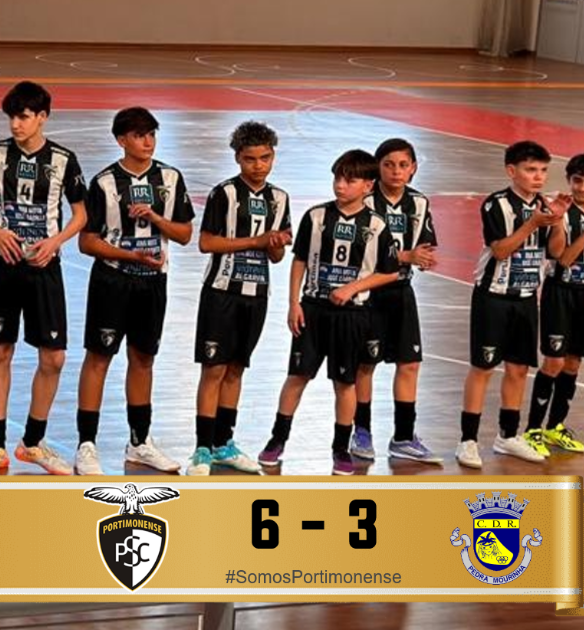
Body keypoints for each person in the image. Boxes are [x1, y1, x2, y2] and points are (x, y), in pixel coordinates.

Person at [0, 81, 87, 475]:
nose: (15, 124)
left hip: (43, 267)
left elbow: (81, 215)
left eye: (23, 117)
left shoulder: (64, 160)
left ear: (42, 117)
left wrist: (56, 241)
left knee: (54, 357)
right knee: (1, 351)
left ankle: (33, 442)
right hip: (2, 266)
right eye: (11, 117)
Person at [257, 149, 400, 476]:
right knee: (297, 376)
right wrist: (294, 303)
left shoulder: (376, 225)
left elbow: (390, 272)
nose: (340, 185)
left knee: (345, 382)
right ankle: (277, 439)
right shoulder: (316, 216)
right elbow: (299, 260)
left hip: (352, 315)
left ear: (368, 185)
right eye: (337, 178)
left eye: (349, 180)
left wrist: (352, 288)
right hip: (313, 309)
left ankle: (340, 448)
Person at [74, 107, 194, 475]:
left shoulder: (170, 178)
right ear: (121, 140)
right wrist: (130, 255)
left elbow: (185, 234)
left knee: (143, 359)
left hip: (152, 282)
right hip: (112, 281)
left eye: (151, 134)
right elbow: (86, 242)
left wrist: (156, 218)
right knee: (99, 357)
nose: (147, 142)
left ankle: (140, 442)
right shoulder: (105, 182)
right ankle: (86, 445)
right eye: (139, 135)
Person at [187, 121, 292, 476]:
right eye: (250, 159)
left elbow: (275, 256)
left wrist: (274, 245)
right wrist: (256, 241)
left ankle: (223, 443)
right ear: (237, 158)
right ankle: (202, 449)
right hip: (221, 293)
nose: (258, 166)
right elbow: (207, 243)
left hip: (256, 295)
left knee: (235, 369)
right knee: (214, 369)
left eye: (265, 158)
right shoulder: (224, 194)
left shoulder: (280, 199)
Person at [457, 140, 567, 468]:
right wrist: (533, 223)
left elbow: (557, 252)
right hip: (493, 297)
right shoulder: (496, 204)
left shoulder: (545, 206)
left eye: (543, 170)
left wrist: (557, 221)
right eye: (531, 170)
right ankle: (468, 440)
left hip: (526, 298)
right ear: (511, 171)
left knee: (518, 369)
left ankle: (507, 435)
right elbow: (501, 250)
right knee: (483, 367)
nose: (538, 176)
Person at [523, 153, 584, 455]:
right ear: (569, 180)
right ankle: (533, 429)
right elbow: (563, 258)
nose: (583, 188)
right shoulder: (560, 211)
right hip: (560, 291)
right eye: (578, 181)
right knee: (554, 361)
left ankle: (556, 426)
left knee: (574, 362)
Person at [353, 138, 442, 464]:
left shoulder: (418, 203)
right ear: (378, 167)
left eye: (403, 165)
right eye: (389, 164)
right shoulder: (364, 201)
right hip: (368, 293)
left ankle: (404, 436)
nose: (396, 171)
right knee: (366, 364)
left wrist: (425, 258)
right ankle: (361, 431)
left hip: (402, 292)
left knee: (410, 363)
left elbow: (425, 246)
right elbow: (361, 251)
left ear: (413, 168)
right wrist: (406, 256)